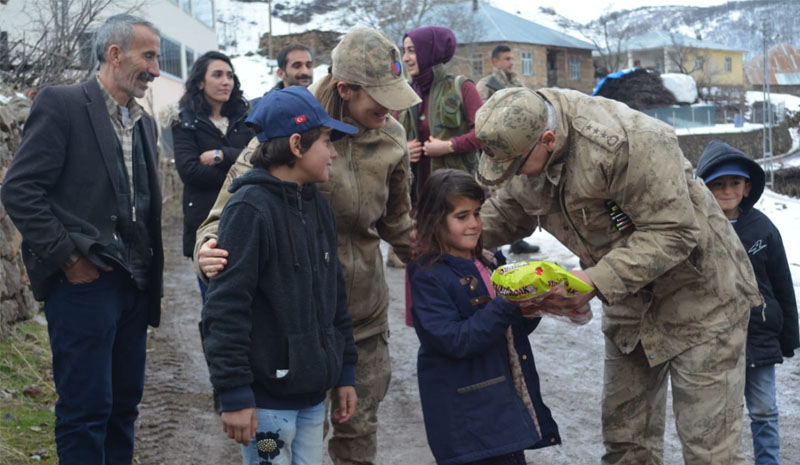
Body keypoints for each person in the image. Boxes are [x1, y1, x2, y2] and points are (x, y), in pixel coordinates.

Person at [473, 87, 763, 464]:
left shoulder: (628, 142)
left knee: (710, 452)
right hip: (629, 301)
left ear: (548, 139)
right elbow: (511, 210)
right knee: (626, 445)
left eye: (516, 167)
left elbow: (674, 232)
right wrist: (449, 236)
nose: (510, 176)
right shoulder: (522, 141)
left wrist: (594, 281)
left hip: (702, 300)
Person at [194, 28, 421, 465]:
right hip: (286, 332)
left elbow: (399, 227)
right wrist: (208, 246)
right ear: (345, 89)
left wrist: (453, 252)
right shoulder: (290, 124)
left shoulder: (391, 139)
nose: (391, 109)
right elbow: (229, 213)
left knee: (356, 436)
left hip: (357, 320)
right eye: (380, 98)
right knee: (280, 447)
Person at [0, 14, 164, 465]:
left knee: (123, 408)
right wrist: (69, 258)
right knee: (86, 410)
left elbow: (145, 208)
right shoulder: (63, 104)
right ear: (115, 54)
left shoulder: (144, 124)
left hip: (133, 287)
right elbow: (19, 190)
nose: (154, 68)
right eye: (148, 56)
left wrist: (152, 282)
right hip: (84, 287)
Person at [201, 86, 359, 465]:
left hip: (310, 402)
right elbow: (225, 308)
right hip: (266, 411)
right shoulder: (249, 211)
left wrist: (345, 371)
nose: (334, 152)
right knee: (269, 459)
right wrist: (234, 392)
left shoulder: (317, 207)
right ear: (296, 144)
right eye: (326, 141)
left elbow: (335, 296)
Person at [408, 169, 560, 465]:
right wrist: (506, 302)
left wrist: (534, 305)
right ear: (434, 220)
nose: (474, 224)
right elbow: (456, 341)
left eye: (477, 213)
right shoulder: (428, 276)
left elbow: (507, 330)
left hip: (502, 409)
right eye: (462, 216)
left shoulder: (490, 262)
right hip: (467, 420)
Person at [696, 140, 799, 465]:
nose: (727, 191)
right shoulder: (695, 229)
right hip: (714, 338)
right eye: (718, 184)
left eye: (734, 183)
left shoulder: (763, 228)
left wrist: (789, 336)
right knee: (720, 417)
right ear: (704, 188)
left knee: (765, 411)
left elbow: (782, 283)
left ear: (747, 187)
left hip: (758, 335)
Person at [172, 50, 251, 302]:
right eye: (217, 75)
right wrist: (239, 173)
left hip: (247, 220)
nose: (226, 81)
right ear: (200, 82)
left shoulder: (245, 118)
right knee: (215, 304)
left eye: (229, 75)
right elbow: (190, 171)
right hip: (205, 227)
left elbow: (258, 158)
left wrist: (222, 154)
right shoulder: (184, 122)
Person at [474, 44, 539, 255]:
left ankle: (517, 241)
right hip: (500, 150)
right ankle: (491, 247)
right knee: (497, 198)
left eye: (512, 59)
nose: (512, 62)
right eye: (507, 59)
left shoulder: (517, 83)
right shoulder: (487, 85)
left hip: (519, 148)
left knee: (518, 193)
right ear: (495, 62)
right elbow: (481, 118)